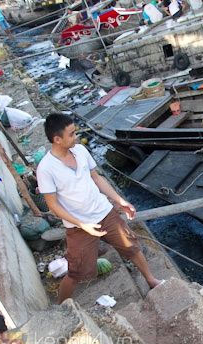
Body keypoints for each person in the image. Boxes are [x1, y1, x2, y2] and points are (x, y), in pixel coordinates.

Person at [36, 113, 164, 304]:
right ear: (57, 139)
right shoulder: (45, 168)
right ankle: (62, 307)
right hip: (78, 226)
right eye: (71, 134)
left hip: (104, 212)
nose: (76, 137)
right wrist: (82, 224)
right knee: (76, 272)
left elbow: (96, 178)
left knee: (132, 247)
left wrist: (119, 200)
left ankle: (151, 280)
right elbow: (53, 205)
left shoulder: (80, 150)